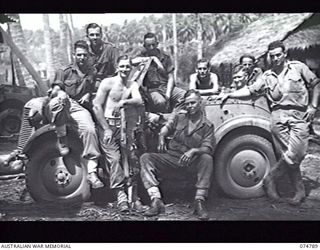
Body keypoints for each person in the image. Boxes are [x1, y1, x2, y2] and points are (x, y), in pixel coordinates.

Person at [218, 41, 320, 205]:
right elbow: (250, 90)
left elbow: (316, 83)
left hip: (299, 114)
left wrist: (313, 106)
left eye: (278, 55)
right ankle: (299, 191)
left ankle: (270, 178)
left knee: (298, 153)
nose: (276, 58)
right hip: (278, 117)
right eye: (272, 56)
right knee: (287, 154)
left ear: (285, 54)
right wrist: (230, 95)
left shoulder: (298, 67)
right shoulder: (267, 76)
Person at [139, 89, 215, 220]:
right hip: (171, 157)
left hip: (191, 162)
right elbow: (166, 127)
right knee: (146, 158)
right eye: (188, 104)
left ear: (200, 103)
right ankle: (156, 200)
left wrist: (194, 151)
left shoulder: (207, 126)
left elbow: (208, 148)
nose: (190, 106)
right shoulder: (180, 117)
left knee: (207, 159)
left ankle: (199, 202)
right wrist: (162, 136)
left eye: (193, 103)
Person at [93, 55, 146, 213]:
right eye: (122, 66)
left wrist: (124, 102)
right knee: (115, 160)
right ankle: (121, 196)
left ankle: (134, 196)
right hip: (108, 126)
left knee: (132, 159)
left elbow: (139, 100)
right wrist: (106, 128)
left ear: (131, 68)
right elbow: (96, 106)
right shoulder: (108, 83)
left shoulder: (132, 85)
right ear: (117, 67)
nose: (124, 70)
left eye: (127, 67)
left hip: (126, 127)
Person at [48, 40, 104, 189]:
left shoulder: (92, 71)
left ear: (89, 56)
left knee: (90, 130)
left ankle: (92, 172)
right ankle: (62, 139)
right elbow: (57, 87)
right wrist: (58, 92)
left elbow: (97, 88)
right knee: (59, 99)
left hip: (79, 107)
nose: (82, 58)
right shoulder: (64, 71)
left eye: (85, 55)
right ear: (74, 55)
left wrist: (89, 94)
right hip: (63, 103)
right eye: (79, 55)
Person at [133, 32, 185, 113]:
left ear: (157, 44)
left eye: (153, 44)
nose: (151, 47)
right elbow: (131, 61)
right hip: (152, 90)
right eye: (148, 45)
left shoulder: (165, 57)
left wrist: (168, 95)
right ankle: (161, 122)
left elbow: (170, 78)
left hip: (166, 87)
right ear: (144, 46)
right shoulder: (142, 56)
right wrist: (152, 58)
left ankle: (176, 116)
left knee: (185, 96)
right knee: (161, 102)